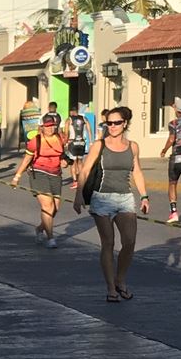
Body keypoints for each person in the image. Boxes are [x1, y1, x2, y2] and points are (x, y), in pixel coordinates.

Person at [72, 105, 149, 302]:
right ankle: (110, 288)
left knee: (129, 242)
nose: (112, 126)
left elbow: (137, 171)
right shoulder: (100, 145)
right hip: (102, 198)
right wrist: (79, 195)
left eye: (116, 123)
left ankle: (120, 279)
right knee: (108, 242)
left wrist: (144, 196)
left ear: (125, 124)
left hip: (125, 198)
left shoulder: (133, 146)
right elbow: (85, 170)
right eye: (109, 123)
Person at [11, 111, 70, 248]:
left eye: (53, 126)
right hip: (38, 173)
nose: (50, 128)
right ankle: (50, 238)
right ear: (42, 127)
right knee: (47, 206)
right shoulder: (35, 141)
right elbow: (26, 160)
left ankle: (40, 229)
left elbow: (62, 156)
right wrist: (17, 176)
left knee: (55, 208)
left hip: (56, 174)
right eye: (47, 126)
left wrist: (65, 162)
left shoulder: (60, 139)